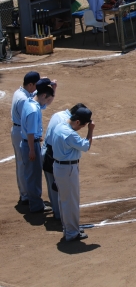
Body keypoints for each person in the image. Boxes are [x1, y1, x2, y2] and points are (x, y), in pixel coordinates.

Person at [52, 108, 95, 242]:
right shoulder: (70, 134)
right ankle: (71, 233)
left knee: (64, 200)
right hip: (67, 169)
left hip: (60, 167)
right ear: (77, 121)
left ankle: (69, 228)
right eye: (82, 125)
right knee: (70, 202)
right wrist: (90, 130)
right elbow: (86, 146)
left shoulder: (59, 126)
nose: (81, 128)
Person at [43, 103, 87, 222]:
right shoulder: (65, 123)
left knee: (53, 185)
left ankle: (59, 214)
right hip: (56, 155)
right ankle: (61, 217)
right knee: (62, 190)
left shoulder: (59, 115)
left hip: (49, 152)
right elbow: (82, 145)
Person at [20, 80, 55, 213]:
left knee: (31, 175)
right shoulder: (34, 110)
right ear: (43, 96)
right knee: (34, 177)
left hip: (28, 143)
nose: (46, 103)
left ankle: (34, 202)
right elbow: (30, 133)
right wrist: (32, 150)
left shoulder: (29, 101)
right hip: (30, 144)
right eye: (47, 99)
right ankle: (36, 205)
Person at [11, 71, 41, 206]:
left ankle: (25, 194)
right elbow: (27, 122)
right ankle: (26, 195)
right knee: (24, 165)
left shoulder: (20, 92)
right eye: (36, 85)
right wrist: (33, 139)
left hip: (18, 130)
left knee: (22, 164)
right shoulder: (23, 100)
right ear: (30, 84)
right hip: (21, 132)